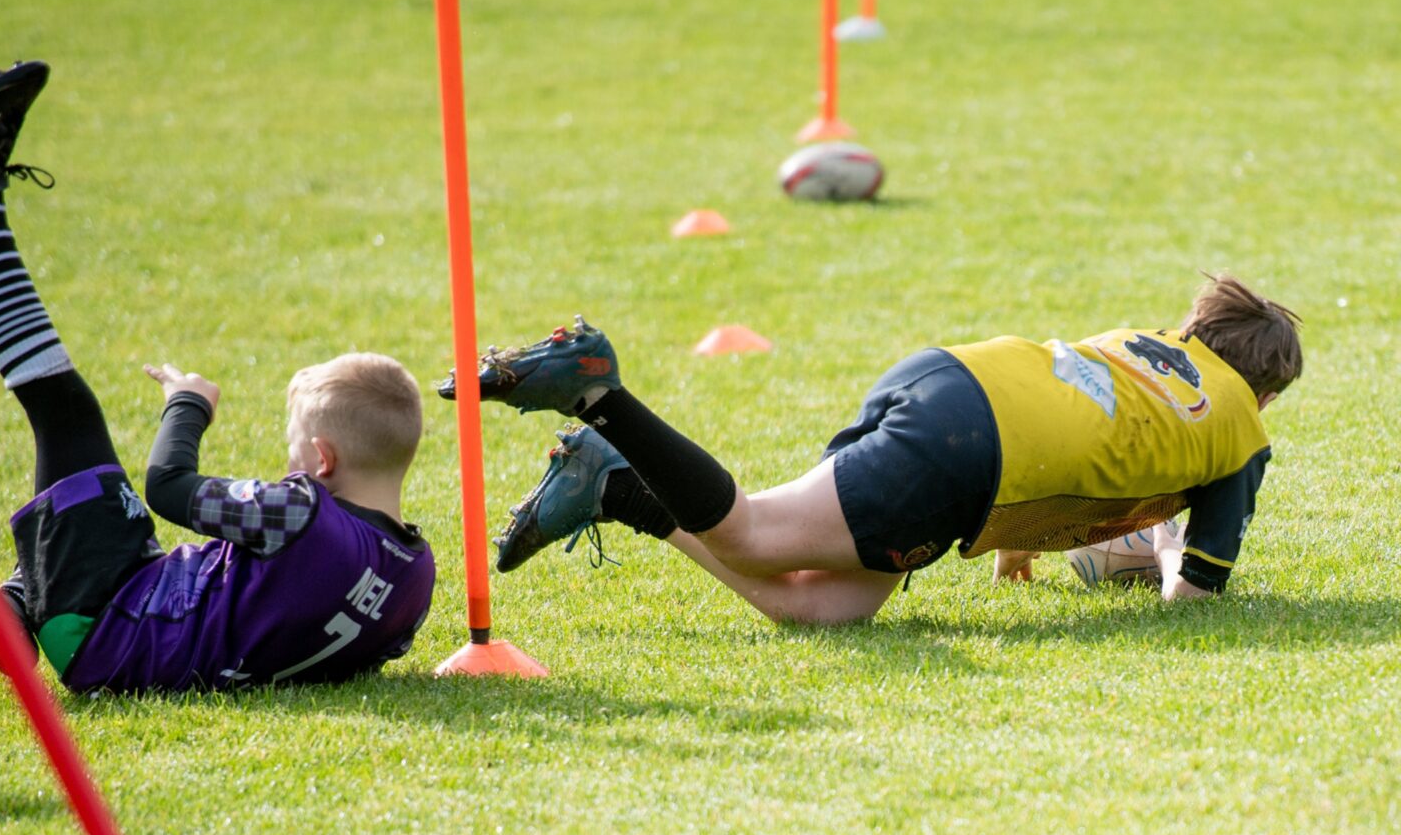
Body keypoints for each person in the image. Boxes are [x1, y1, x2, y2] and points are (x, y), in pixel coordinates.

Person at [0, 61, 434, 691]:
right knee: (98, 509)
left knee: (65, 411)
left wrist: (186, 406)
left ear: (322, 459)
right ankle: (15, 612)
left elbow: (167, 484)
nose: (287, 463)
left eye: (294, 445)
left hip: (108, 622)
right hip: (151, 612)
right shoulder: (416, 575)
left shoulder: (297, 512)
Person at [442, 277, 1301, 624]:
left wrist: (1024, 558)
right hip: (966, 448)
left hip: (954, 381)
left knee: (822, 608)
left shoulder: (1156, 350)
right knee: (755, 534)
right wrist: (1155, 558)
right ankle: (600, 394)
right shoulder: (1239, 426)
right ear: (1263, 393)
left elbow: (1081, 432)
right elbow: (1194, 593)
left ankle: (617, 489)